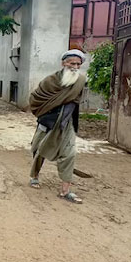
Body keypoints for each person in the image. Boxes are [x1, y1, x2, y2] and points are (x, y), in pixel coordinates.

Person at [28, 49, 87, 204]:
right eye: (71, 63)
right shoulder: (50, 81)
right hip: (48, 122)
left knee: (70, 154)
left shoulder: (80, 81)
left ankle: (65, 190)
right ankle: (34, 176)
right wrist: (45, 112)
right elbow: (36, 98)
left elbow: (77, 102)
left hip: (66, 124)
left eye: (78, 64)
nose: (74, 66)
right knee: (39, 149)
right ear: (63, 63)